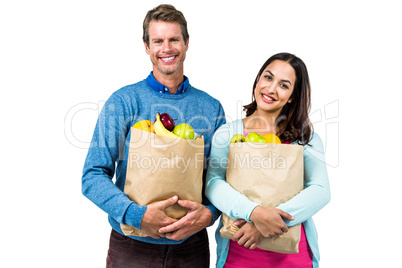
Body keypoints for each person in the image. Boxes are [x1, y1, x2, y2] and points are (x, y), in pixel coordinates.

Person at [82, 4, 226, 268]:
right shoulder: (123, 101)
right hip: (131, 245)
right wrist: (136, 215)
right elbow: (92, 175)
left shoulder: (211, 107)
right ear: (147, 47)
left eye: (174, 39)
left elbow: (219, 177)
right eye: (158, 41)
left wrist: (209, 214)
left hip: (191, 246)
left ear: (187, 43)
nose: (166, 48)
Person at [206, 52, 330, 268]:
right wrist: (254, 213)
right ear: (257, 80)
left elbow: (320, 190)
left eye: (284, 85)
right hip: (239, 254)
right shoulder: (228, 133)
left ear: (292, 96)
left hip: (293, 258)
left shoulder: (305, 139)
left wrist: (265, 224)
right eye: (268, 77)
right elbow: (213, 183)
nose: (271, 89)